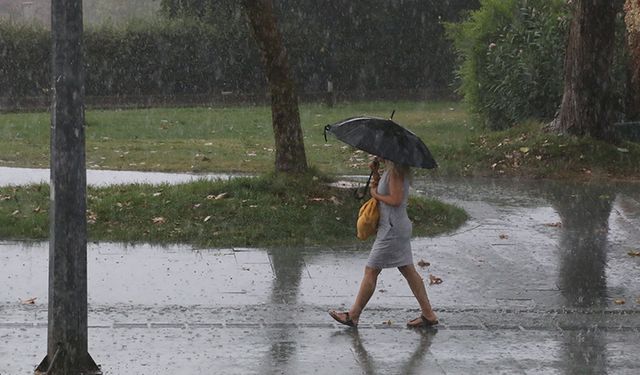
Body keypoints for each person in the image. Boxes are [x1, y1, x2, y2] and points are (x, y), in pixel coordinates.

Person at [329, 156, 438, 328]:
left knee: (371, 270)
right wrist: (374, 172)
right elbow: (387, 190)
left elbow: (395, 200)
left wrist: (375, 195)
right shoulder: (393, 171)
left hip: (392, 229)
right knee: (408, 270)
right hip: (395, 226)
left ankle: (353, 315)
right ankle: (428, 314)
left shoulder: (395, 173)